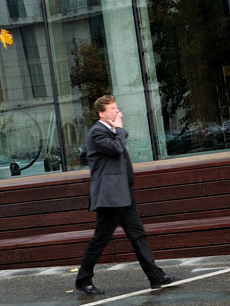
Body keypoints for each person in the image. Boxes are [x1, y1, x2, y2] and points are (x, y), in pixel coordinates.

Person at [74, 95, 178, 296]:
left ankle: (156, 277)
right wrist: (120, 129)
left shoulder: (111, 132)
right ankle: (83, 279)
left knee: (138, 235)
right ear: (101, 113)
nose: (117, 111)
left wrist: (117, 131)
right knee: (101, 239)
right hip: (110, 197)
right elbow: (116, 149)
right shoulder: (97, 133)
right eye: (113, 108)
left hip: (123, 194)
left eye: (116, 107)